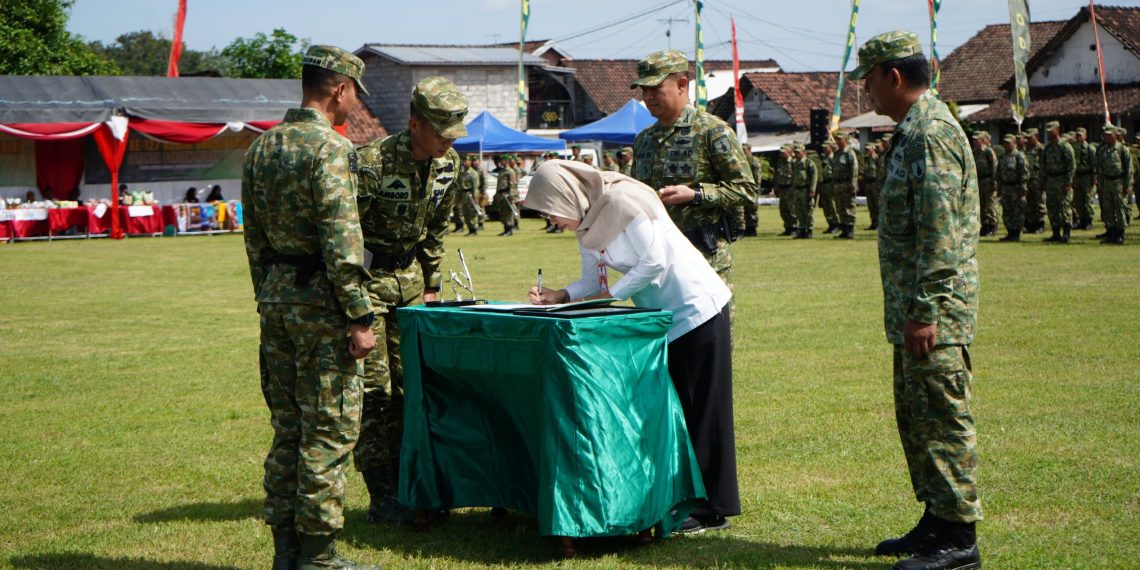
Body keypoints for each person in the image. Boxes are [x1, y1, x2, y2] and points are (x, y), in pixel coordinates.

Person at [523, 159, 739, 533]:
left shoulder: (623, 201)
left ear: (567, 197)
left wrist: (612, 294)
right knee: (678, 410)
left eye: (551, 211)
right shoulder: (588, 223)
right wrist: (563, 295)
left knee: (704, 410)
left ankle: (713, 508)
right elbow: (594, 280)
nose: (552, 221)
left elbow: (655, 261)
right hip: (664, 318)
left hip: (697, 308)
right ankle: (683, 498)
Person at [241, 45, 378, 570]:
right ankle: (318, 556)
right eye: (354, 94)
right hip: (322, 304)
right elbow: (343, 243)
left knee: (289, 427)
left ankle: (286, 550)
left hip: (277, 298)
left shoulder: (261, 148)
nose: (354, 104)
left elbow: (253, 238)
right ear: (339, 89)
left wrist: (268, 293)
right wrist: (359, 316)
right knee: (329, 428)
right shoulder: (330, 148)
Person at [850, 31, 983, 570]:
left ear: (894, 76)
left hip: (935, 313)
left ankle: (959, 539)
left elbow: (942, 233)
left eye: (869, 80)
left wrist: (926, 310)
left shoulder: (931, 134)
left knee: (943, 419)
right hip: (915, 309)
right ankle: (938, 520)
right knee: (920, 418)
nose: (866, 91)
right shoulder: (912, 131)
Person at [354, 76, 467, 525]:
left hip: (413, 287)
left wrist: (433, 285)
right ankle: (382, 495)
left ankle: (413, 486)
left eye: (454, 132)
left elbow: (436, 229)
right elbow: (343, 235)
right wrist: (351, 303)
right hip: (369, 283)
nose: (448, 141)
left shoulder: (449, 163)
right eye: (441, 132)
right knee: (375, 392)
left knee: (412, 388)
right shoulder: (372, 162)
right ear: (415, 123)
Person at [631, 49, 756, 292]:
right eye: (643, 90)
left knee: (711, 319)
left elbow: (746, 190)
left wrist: (696, 195)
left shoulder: (712, 131)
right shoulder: (644, 140)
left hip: (705, 259)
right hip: (658, 262)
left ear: (681, 84)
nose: (648, 96)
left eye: (655, 88)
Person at [1096, 125, 1132, 245]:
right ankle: (1110, 233)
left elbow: (1129, 169)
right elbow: (1100, 168)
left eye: (1109, 135)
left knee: (1120, 208)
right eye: (1105, 135)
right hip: (1106, 182)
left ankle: (1120, 234)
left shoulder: (1122, 149)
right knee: (1108, 208)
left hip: (1118, 182)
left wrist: (1127, 185)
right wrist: (1100, 184)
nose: (1107, 137)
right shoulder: (1103, 150)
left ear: (1115, 135)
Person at [1041, 121, 1075, 243]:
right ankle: (1055, 232)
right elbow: (1043, 165)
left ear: (1057, 130)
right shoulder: (1047, 148)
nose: (1050, 133)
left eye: (1052, 130)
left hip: (1062, 180)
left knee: (1064, 206)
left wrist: (1069, 181)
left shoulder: (1065, 146)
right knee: (1052, 207)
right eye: (1048, 131)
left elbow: (1071, 165)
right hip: (1051, 180)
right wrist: (1043, 181)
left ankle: (1066, 233)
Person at [997, 133, 1028, 242]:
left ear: (1014, 143)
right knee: (1007, 211)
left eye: (1008, 143)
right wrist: (999, 188)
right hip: (1006, 187)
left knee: (1017, 211)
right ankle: (1010, 232)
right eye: (1005, 143)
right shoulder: (1002, 157)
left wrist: (1023, 188)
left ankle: (1016, 233)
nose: (1006, 145)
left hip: (1016, 187)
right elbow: (999, 173)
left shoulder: (1019, 156)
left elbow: (1024, 174)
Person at [832, 132, 859, 239]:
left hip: (847, 184)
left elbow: (854, 170)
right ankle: (843, 229)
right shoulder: (838, 153)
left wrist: (853, 185)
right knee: (840, 208)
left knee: (849, 207)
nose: (838, 141)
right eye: (837, 139)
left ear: (846, 140)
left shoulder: (850, 153)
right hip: (838, 184)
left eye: (840, 139)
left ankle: (850, 230)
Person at [972, 133, 999, 237]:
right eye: (974, 140)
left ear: (982, 140)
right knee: (982, 205)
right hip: (979, 181)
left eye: (977, 140)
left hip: (988, 180)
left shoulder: (988, 151)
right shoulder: (975, 152)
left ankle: (992, 226)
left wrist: (994, 183)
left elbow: (994, 168)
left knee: (990, 204)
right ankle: (984, 226)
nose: (975, 142)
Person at [789, 142, 817, 239]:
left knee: (808, 211)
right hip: (797, 190)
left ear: (803, 152)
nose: (796, 154)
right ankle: (801, 229)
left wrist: (812, 190)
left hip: (805, 190)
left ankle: (809, 230)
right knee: (798, 211)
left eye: (798, 152)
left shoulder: (808, 163)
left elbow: (814, 177)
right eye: (795, 152)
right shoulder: (794, 163)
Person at [774, 144, 796, 235]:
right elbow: (777, 176)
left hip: (790, 189)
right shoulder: (779, 163)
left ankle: (794, 228)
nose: (781, 154)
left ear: (789, 152)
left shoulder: (793, 162)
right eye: (781, 153)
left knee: (792, 209)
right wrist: (776, 188)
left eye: (784, 152)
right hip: (782, 189)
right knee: (783, 210)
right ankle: (788, 227)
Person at [818, 141, 838, 234]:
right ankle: (830, 223)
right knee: (826, 205)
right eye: (824, 147)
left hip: (831, 183)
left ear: (831, 147)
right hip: (824, 184)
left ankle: (837, 224)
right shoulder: (824, 158)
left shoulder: (833, 158)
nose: (824, 149)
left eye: (826, 147)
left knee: (832, 205)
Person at [458, 155, 481, 236]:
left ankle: (474, 230)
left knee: (472, 213)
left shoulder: (473, 173)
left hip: (471, 195)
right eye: (464, 161)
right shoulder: (463, 173)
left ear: (470, 162)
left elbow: (475, 187)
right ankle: (470, 229)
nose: (465, 163)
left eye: (466, 161)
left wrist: (475, 198)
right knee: (465, 213)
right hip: (464, 195)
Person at [863, 143, 880, 229]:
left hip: (875, 183)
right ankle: (873, 222)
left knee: (877, 204)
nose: (867, 151)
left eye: (868, 149)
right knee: (870, 205)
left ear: (873, 149)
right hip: (868, 183)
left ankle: (879, 223)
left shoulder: (877, 158)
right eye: (866, 149)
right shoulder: (866, 159)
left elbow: (880, 171)